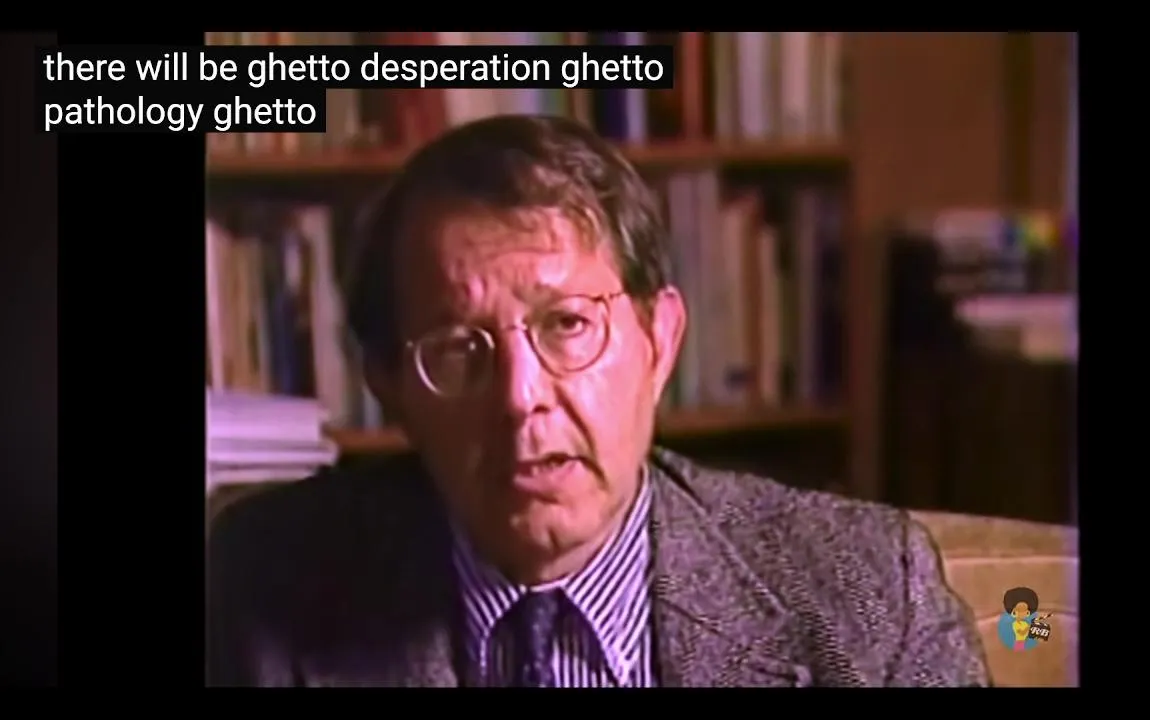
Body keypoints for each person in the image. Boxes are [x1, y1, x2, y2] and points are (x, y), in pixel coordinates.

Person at [205, 114, 991, 688]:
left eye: (568, 325)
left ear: (659, 340)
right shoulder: (261, 583)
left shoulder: (868, 593)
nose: (520, 399)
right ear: (390, 387)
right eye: (459, 351)